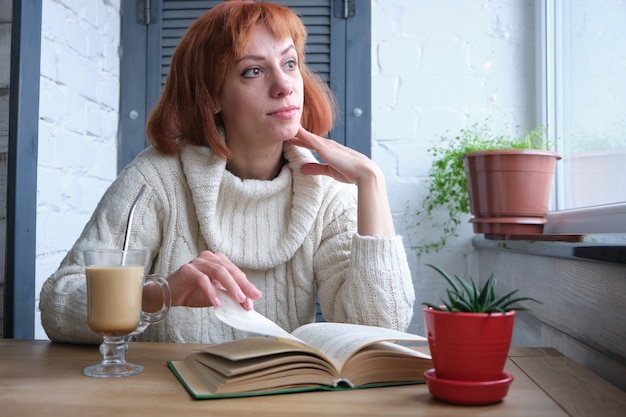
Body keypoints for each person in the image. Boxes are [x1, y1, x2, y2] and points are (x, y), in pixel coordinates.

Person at [39, 0, 415, 344]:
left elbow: (378, 330)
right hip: (166, 398)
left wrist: (371, 182)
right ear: (212, 96)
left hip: (280, 393)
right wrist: (160, 292)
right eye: (253, 71)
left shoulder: (328, 188)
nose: (284, 86)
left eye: (289, 63)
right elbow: (59, 304)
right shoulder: (157, 179)